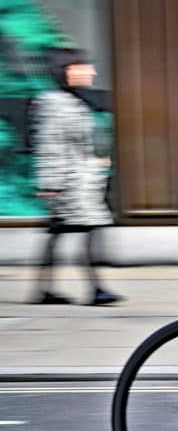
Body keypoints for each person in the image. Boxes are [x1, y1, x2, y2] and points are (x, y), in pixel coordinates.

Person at [32, 47, 122, 306]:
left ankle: (45, 289)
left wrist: (94, 160)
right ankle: (95, 288)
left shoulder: (68, 101)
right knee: (87, 230)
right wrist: (51, 184)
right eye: (83, 67)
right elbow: (51, 145)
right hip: (70, 184)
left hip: (76, 181)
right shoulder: (55, 104)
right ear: (67, 72)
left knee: (60, 233)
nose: (91, 71)